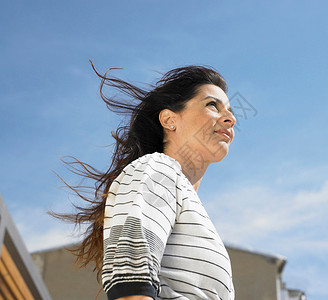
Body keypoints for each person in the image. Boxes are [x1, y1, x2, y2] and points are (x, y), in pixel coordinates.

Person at [55, 62, 236, 300]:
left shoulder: (190, 204)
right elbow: (131, 287)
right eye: (212, 105)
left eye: (230, 111)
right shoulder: (158, 170)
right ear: (170, 119)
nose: (230, 119)